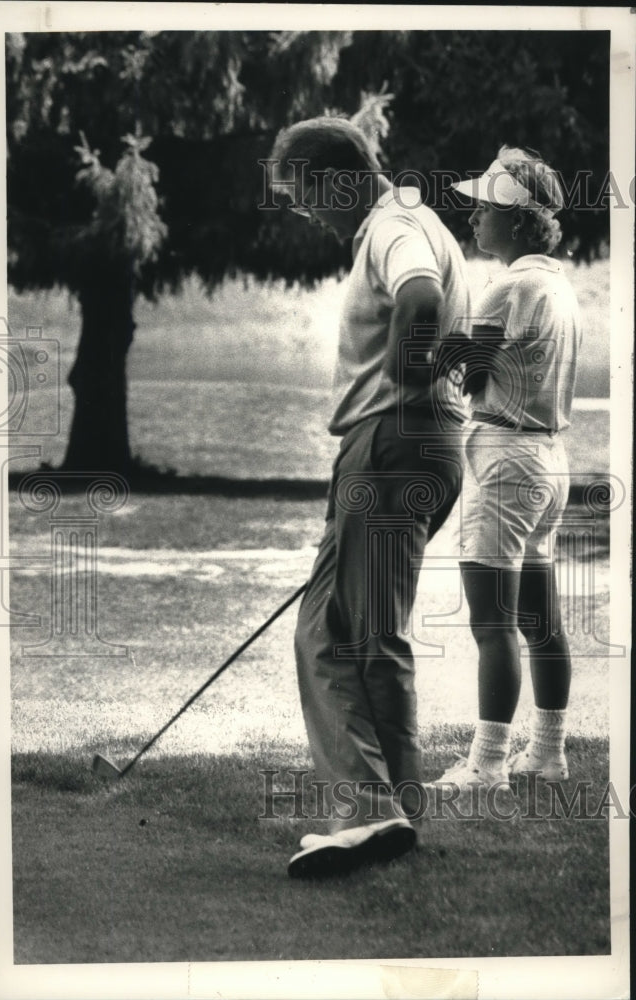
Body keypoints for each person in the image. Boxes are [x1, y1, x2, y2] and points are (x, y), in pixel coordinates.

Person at [267, 117, 471, 876]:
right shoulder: (406, 223)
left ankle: (372, 812)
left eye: (301, 196)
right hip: (404, 445)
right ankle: (390, 812)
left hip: (392, 441)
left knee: (353, 633)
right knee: (338, 629)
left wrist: (405, 385)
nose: (305, 213)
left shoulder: (396, 224)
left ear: (336, 178)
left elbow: (419, 300)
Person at [431, 146, 581, 793]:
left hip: (507, 461)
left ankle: (487, 765)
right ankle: (548, 753)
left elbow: (466, 371)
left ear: (517, 222)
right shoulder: (558, 286)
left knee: (492, 625)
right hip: (550, 462)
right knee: (541, 623)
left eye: (484, 210)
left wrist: (438, 349)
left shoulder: (509, 285)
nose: (472, 221)